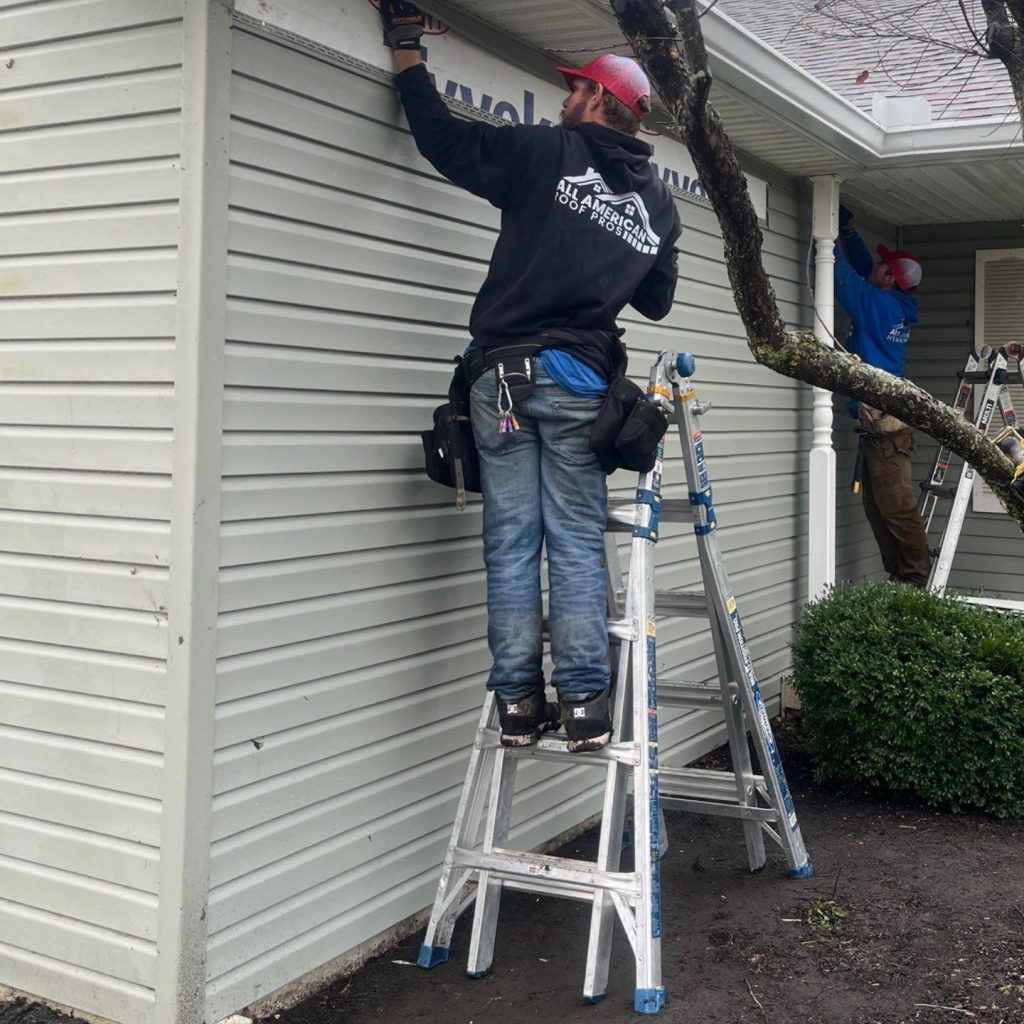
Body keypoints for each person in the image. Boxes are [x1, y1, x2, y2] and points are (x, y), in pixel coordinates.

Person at [379, 2, 681, 751]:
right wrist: (610, 242)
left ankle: (517, 703)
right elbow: (657, 297)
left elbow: (444, 139)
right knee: (574, 540)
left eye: (576, 89)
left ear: (599, 103)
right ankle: (582, 705)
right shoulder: (660, 203)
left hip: (502, 378)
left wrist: (407, 50)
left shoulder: (550, 153)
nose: (565, 98)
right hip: (581, 380)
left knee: (512, 541)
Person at [834, 205, 930, 588]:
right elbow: (863, 271)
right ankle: (899, 578)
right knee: (876, 508)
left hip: (885, 427)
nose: (877, 266)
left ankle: (915, 579)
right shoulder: (892, 303)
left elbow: (845, 279)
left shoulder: (880, 306)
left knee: (896, 507)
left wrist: (822, 235)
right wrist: (849, 234)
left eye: (884, 266)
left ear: (890, 279)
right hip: (881, 423)